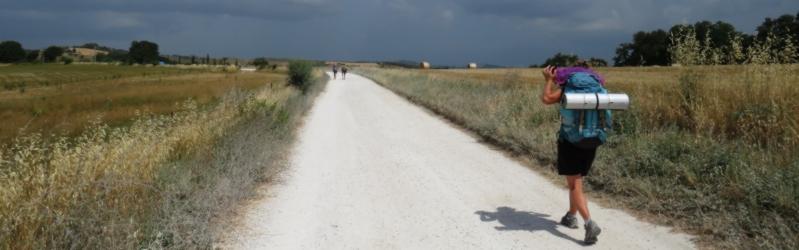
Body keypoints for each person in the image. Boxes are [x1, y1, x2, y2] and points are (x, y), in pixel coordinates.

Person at [540, 61, 602, 245]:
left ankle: (589, 223)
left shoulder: (569, 86)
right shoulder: (597, 85)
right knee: (578, 180)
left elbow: (546, 99)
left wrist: (548, 80)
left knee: (575, 184)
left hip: (570, 140)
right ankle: (570, 216)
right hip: (593, 139)